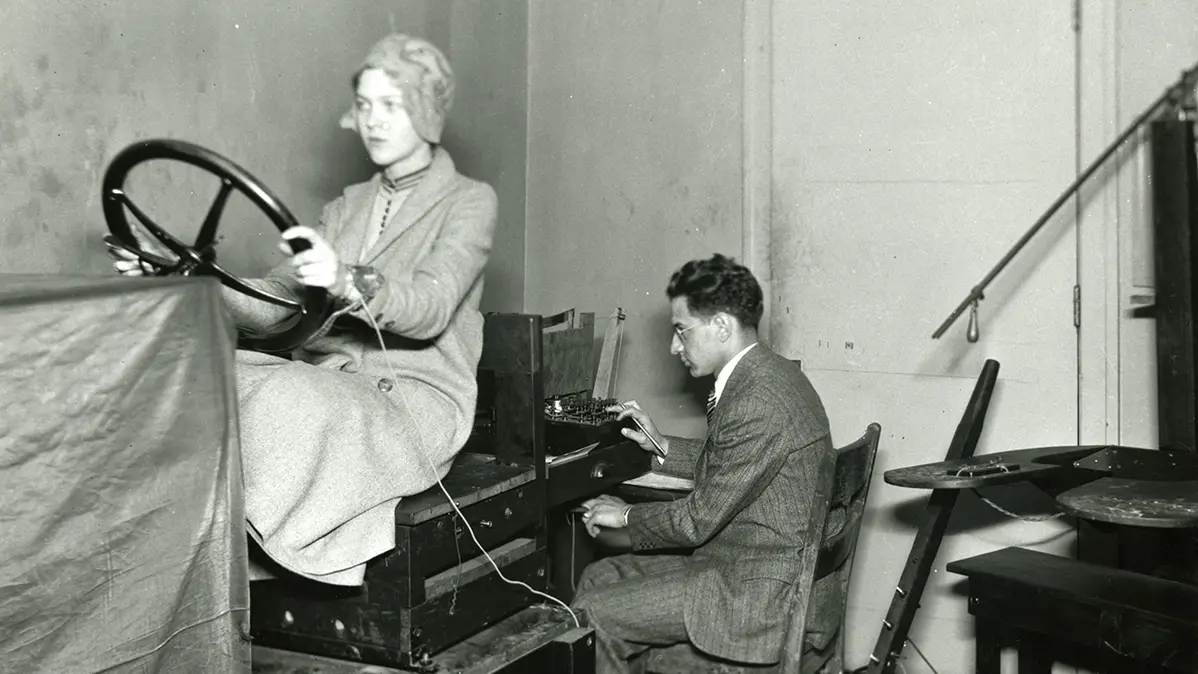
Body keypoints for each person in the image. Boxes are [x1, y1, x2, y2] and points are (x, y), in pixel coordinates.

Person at [108, 34, 497, 586]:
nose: (374, 122)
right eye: (364, 106)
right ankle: (190, 568)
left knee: (279, 398)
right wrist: (184, 277)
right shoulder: (348, 206)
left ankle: (242, 561)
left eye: (392, 105)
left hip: (414, 402)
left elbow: (430, 309)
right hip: (333, 386)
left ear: (427, 110)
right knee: (193, 376)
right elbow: (277, 307)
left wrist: (346, 278)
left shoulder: (468, 202)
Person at [571, 254, 835, 673]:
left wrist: (624, 515)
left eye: (681, 331)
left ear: (722, 325)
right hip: (753, 563)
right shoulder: (770, 373)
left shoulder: (756, 399)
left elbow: (698, 520)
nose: (674, 347)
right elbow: (739, 463)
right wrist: (662, 446)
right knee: (598, 579)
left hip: (755, 596)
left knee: (591, 615)